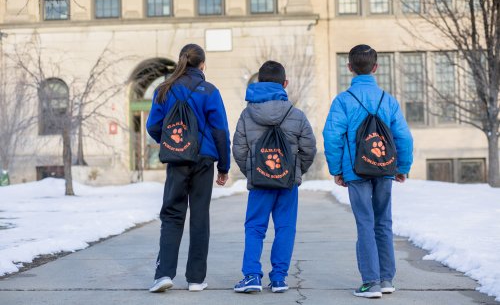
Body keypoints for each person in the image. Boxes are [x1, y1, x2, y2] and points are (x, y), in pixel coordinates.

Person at [323, 44, 413, 299]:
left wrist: (337, 169)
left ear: (349, 68)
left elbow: (332, 136)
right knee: (383, 222)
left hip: (356, 171)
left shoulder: (343, 101)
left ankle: (370, 282)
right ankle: (386, 279)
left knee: (365, 222)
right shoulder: (388, 100)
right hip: (384, 168)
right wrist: (402, 166)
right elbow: (403, 136)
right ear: (375, 68)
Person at [146, 44, 231, 293]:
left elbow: (153, 126)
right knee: (200, 215)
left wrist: (173, 142)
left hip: (177, 159)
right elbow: (220, 131)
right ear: (202, 65)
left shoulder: (164, 89)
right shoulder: (210, 91)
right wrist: (224, 166)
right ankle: (195, 279)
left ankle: (163, 274)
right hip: (204, 160)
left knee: (172, 214)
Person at [232, 60, 317, 293]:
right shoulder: (296, 114)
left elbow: (238, 149)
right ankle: (279, 278)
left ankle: (251, 276)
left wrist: (254, 171)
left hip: (260, 182)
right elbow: (309, 148)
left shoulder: (247, 114)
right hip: (287, 182)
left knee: (255, 227)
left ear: (258, 82)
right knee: (285, 227)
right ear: (285, 83)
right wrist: (294, 171)